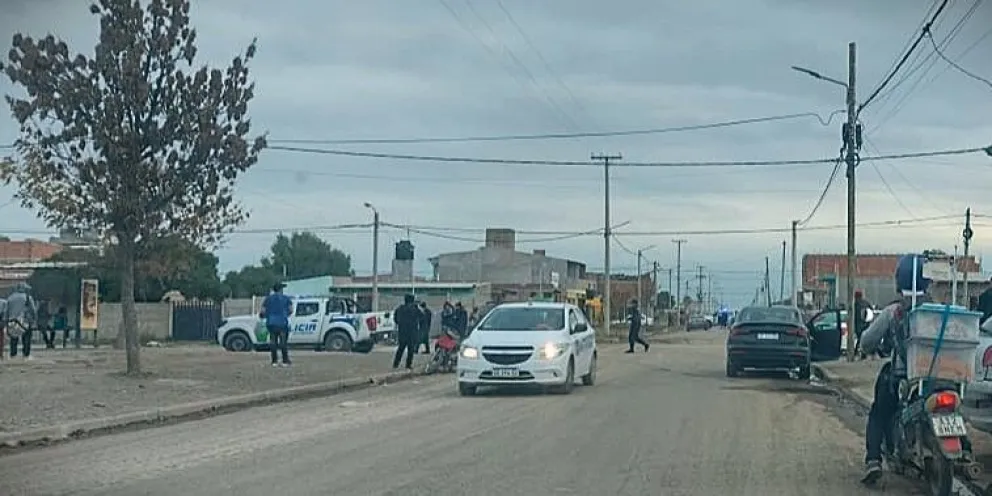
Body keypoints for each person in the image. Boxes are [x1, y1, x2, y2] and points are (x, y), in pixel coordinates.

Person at [857, 253, 973, 484]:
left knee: (879, 410)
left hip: (905, 378)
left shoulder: (894, 312)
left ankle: (873, 461)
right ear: (927, 281)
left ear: (899, 282)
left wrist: (866, 345)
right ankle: (966, 450)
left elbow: (867, 342)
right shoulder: (941, 310)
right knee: (956, 412)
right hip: (942, 378)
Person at [260, 282, 293, 367]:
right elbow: (291, 310)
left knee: (273, 342)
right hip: (282, 322)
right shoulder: (286, 298)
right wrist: (286, 314)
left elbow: (262, 311)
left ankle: (274, 361)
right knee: (283, 342)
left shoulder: (268, 299)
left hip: (271, 323)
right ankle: (285, 361)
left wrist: (266, 315)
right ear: (281, 289)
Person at [6, 282, 38, 360]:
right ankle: (26, 355)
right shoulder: (27, 297)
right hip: (24, 321)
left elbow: (7, 310)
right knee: (26, 338)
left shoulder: (10, 298)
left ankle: (13, 355)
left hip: (12, 321)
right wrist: (34, 319)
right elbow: (33, 310)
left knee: (14, 338)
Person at [393, 294, 421, 369]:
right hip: (411, 332)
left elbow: (395, 319)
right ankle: (408, 364)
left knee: (400, 348)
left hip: (402, 331)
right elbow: (421, 316)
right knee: (410, 349)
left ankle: (396, 363)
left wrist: (400, 324)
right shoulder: (414, 309)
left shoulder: (399, 308)